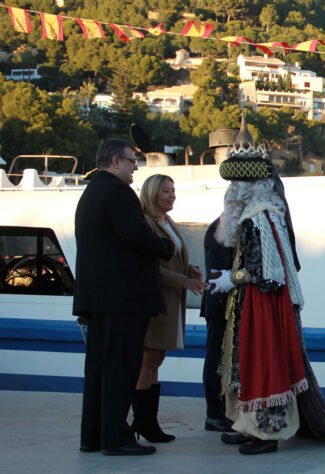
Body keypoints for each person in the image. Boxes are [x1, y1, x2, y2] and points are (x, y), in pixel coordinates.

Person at [209, 117, 325, 455]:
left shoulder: (257, 217)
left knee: (262, 363)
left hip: (261, 303)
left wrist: (228, 279)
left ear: (244, 189)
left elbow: (266, 272)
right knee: (248, 363)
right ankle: (247, 425)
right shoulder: (263, 214)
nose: (230, 193)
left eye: (234, 186)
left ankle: (266, 432)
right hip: (255, 302)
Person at [73, 139, 175, 455]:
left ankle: (93, 435)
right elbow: (136, 235)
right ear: (116, 161)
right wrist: (166, 247)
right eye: (133, 161)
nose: (135, 168)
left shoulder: (90, 193)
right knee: (121, 369)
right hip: (123, 299)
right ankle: (116, 437)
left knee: (99, 370)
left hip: (97, 298)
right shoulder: (118, 193)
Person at [132, 174, 207, 442]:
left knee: (157, 358)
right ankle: (143, 422)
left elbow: (173, 258)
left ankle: (148, 422)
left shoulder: (166, 221)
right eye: (166, 191)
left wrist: (190, 270)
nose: (172, 195)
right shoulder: (147, 224)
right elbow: (151, 268)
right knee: (147, 359)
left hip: (170, 301)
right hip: (156, 300)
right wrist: (183, 281)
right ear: (153, 193)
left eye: (173, 191)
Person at [199, 216, 235, 432]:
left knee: (221, 359)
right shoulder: (220, 229)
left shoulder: (227, 226)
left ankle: (223, 410)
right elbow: (218, 271)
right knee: (216, 358)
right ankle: (215, 413)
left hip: (225, 305)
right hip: (220, 305)